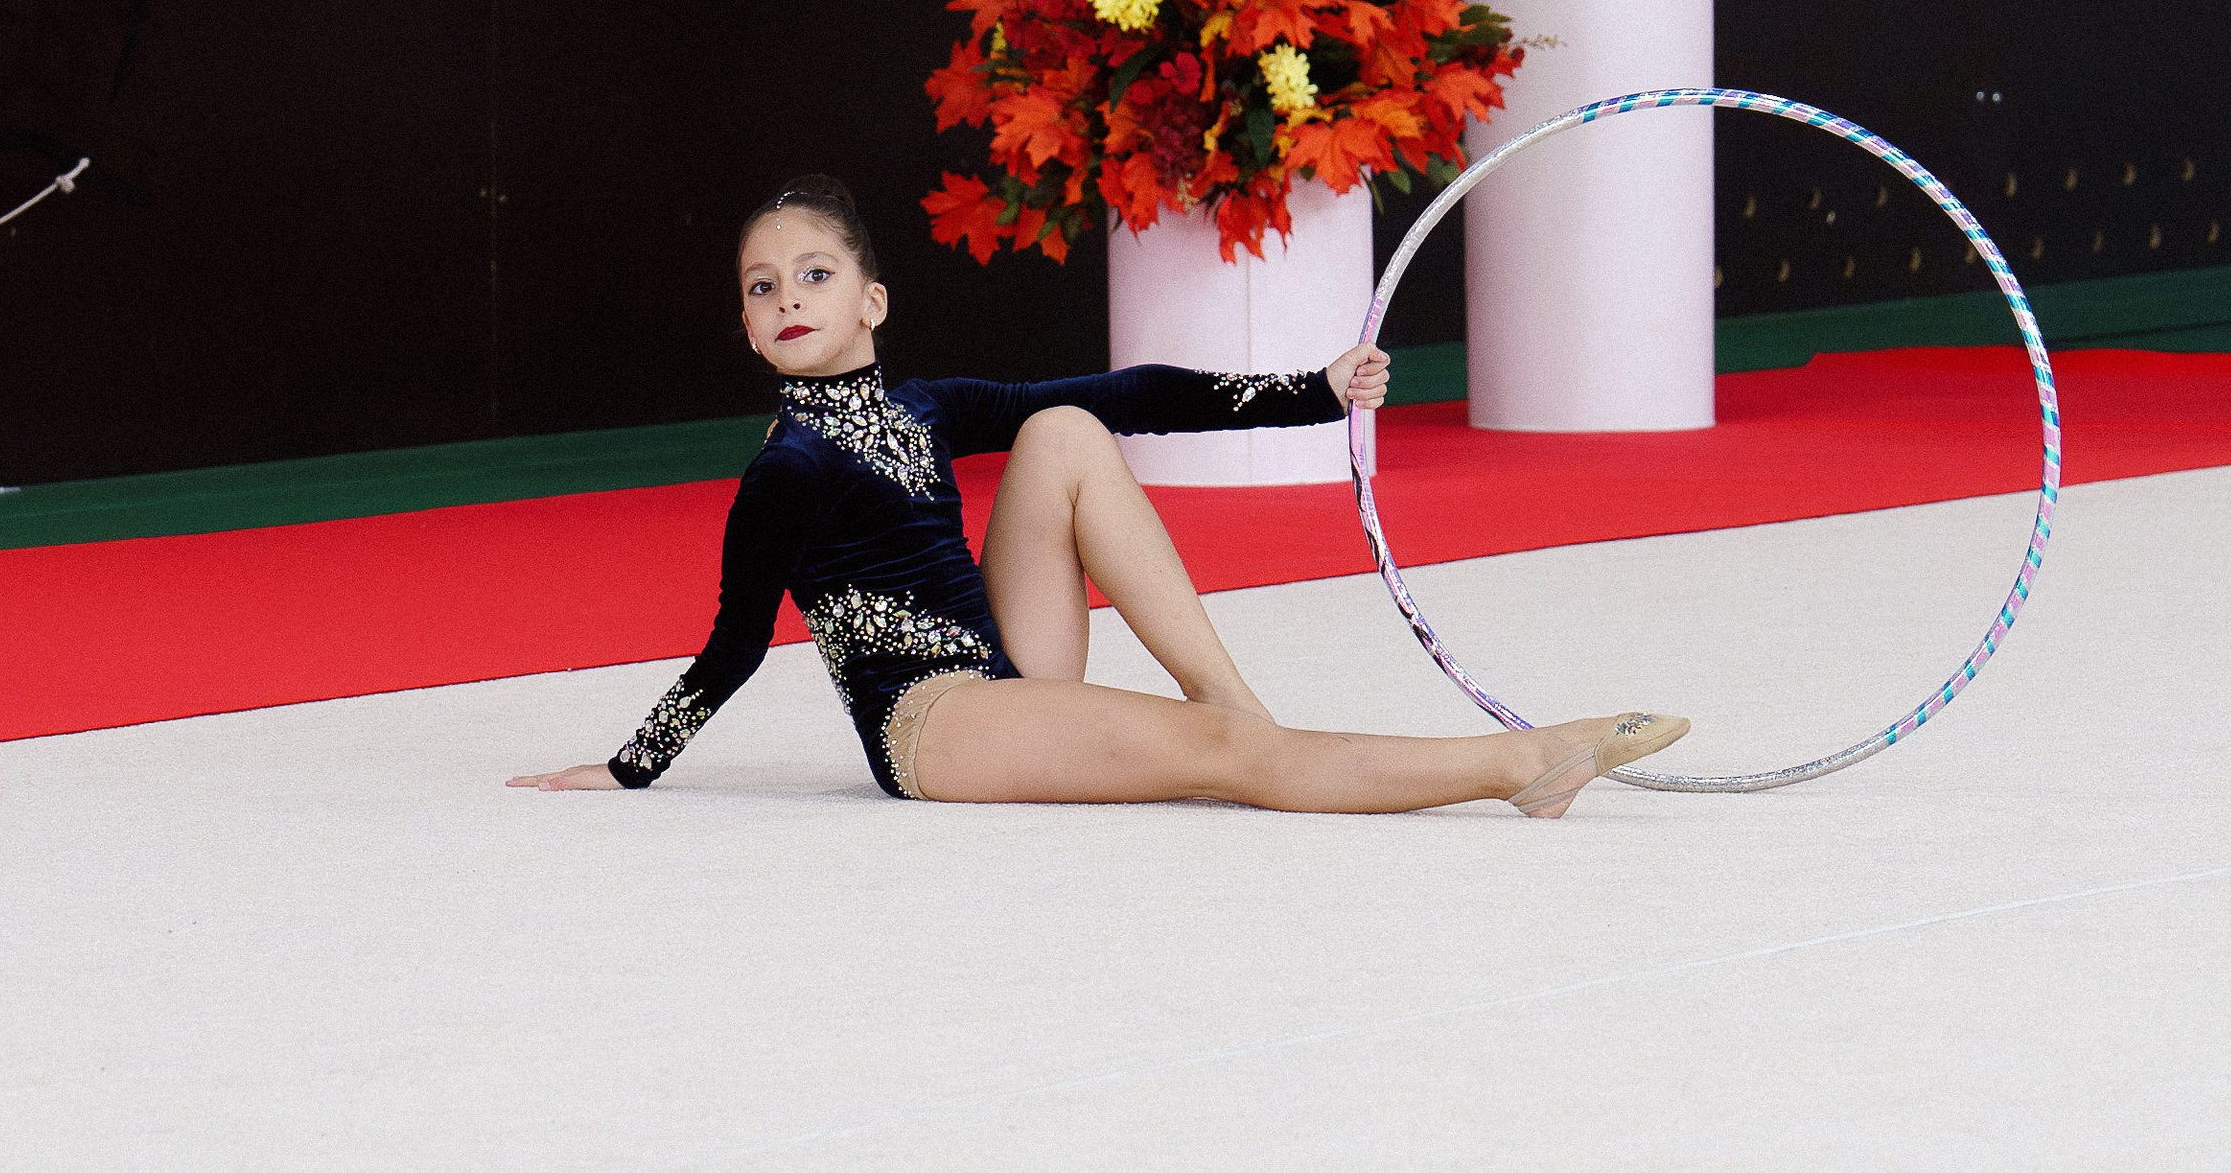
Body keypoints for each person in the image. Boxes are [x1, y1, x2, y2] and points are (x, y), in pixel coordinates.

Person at [512, 177, 1688, 814]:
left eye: (813, 274)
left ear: (872, 300)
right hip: (935, 725)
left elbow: (1127, 392)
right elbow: (730, 646)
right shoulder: (788, 469)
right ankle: (1515, 766)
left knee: (1065, 427)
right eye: (762, 288)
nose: (787, 299)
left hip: (1008, 665)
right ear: (747, 326)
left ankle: (1238, 707)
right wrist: (628, 765)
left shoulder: (925, 409)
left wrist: (1313, 390)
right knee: (1219, 758)